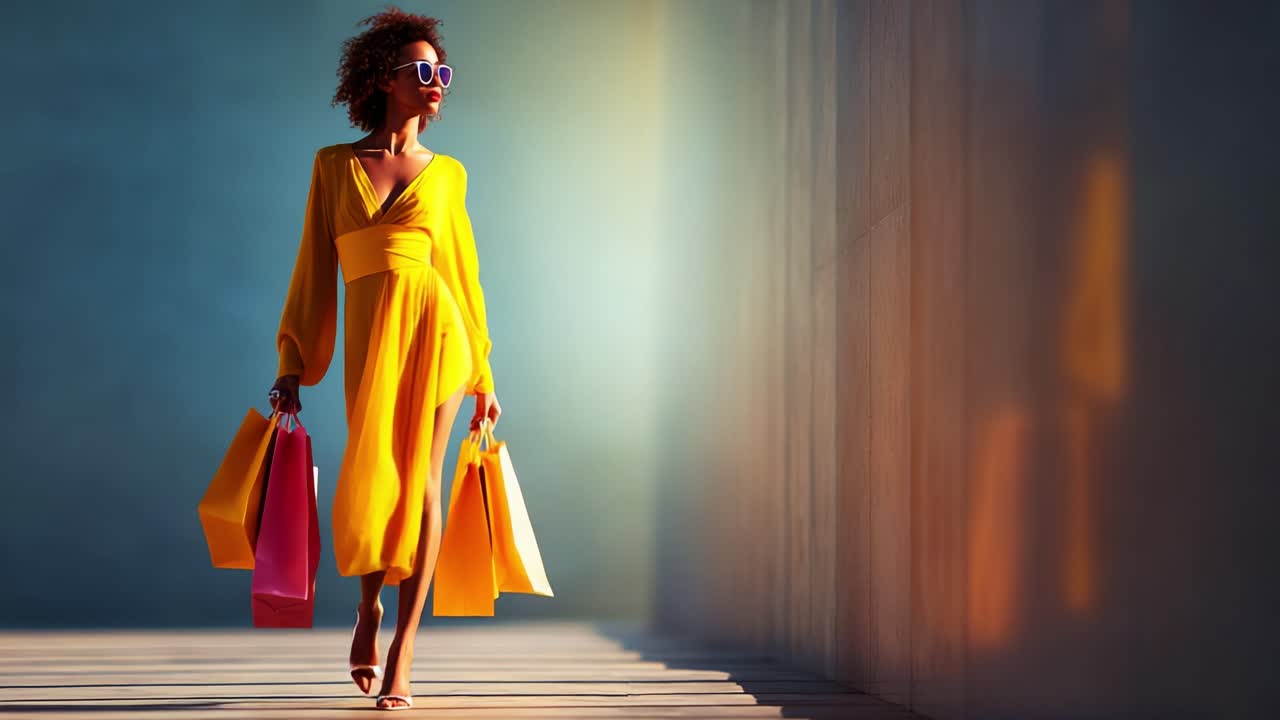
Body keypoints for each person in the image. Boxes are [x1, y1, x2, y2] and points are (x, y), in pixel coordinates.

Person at [266, 6, 501, 711]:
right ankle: (367, 609)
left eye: (443, 73)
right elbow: (312, 266)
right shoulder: (333, 166)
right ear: (383, 80)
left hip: (439, 331)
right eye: (422, 71)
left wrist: (485, 374)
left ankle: (403, 650)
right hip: (372, 334)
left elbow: (463, 273)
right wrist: (293, 357)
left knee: (424, 483)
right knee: (374, 472)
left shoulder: (450, 174)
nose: (437, 83)